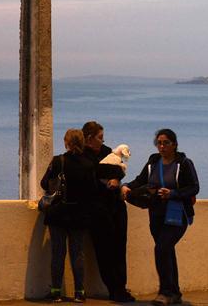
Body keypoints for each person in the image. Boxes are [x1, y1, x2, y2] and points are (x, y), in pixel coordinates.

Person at [122, 129, 199, 306]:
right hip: (156, 214)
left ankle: (165, 293)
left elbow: (194, 187)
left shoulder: (184, 163)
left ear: (174, 144)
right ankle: (175, 293)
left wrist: (172, 193)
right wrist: (126, 186)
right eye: (159, 143)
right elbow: (141, 180)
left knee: (161, 249)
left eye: (166, 143)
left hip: (177, 215)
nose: (162, 147)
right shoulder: (153, 163)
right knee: (166, 251)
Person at [41, 129, 97, 302]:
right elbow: (92, 191)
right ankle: (79, 292)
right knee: (77, 253)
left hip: (58, 213)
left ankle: (56, 291)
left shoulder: (58, 161)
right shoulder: (88, 164)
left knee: (58, 253)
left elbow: (44, 183)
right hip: (79, 215)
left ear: (66, 142)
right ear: (82, 142)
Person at [81, 121, 135, 302]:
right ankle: (114, 288)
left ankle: (121, 286)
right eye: (100, 138)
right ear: (89, 138)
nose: (102, 141)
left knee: (119, 247)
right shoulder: (82, 155)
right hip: (97, 209)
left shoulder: (106, 151)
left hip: (115, 206)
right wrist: (113, 171)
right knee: (104, 249)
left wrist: (115, 176)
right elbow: (94, 171)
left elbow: (121, 169)